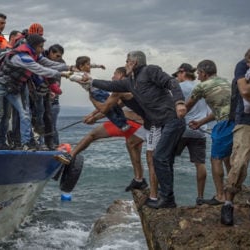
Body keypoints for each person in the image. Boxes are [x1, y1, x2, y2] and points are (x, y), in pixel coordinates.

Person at [79, 50, 186, 209]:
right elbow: (110, 85)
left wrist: (179, 102)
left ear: (134, 62)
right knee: (164, 159)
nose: (125, 63)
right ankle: (167, 198)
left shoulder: (150, 71)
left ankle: (166, 198)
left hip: (172, 120)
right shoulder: (130, 81)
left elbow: (172, 82)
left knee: (159, 158)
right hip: (157, 123)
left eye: (127, 61)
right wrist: (91, 80)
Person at [0, 34, 71, 150]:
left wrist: (69, 68)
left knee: (25, 114)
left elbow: (50, 64)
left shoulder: (35, 55)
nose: (43, 50)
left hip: (13, 88)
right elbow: (41, 69)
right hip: (0, 86)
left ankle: (26, 143)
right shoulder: (22, 57)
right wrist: (62, 74)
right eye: (41, 47)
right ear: (34, 46)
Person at [55, 66, 148, 191]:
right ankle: (139, 179)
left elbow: (105, 108)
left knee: (93, 135)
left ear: (120, 75)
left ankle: (71, 155)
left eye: (114, 74)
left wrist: (92, 101)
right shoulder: (130, 87)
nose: (112, 77)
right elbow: (111, 105)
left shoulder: (122, 89)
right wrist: (92, 115)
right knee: (134, 154)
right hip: (133, 125)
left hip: (131, 125)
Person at [221, 37, 250, 226]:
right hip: (246, 123)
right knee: (238, 166)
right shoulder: (243, 65)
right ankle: (228, 205)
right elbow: (244, 90)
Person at [186, 60, 233, 205]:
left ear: (204, 73)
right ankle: (233, 189)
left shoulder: (201, 86)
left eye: (198, 73)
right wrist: (200, 123)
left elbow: (186, 107)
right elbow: (219, 109)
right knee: (228, 158)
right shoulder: (225, 82)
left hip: (224, 124)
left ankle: (220, 196)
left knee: (216, 159)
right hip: (239, 121)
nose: (197, 77)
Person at [172, 63, 209, 205]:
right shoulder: (202, 87)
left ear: (182, 72)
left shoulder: (179, 88)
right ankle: (200, 197)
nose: (177, 78)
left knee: (166, 159)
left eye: (178, 75)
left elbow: (173, 108)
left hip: (181, 129)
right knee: (200, 164)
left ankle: (166, 193)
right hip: (199, 129)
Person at [70, 56, 130, 133]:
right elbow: (71, 77)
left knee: (115, 105)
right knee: (108, 110)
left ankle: (124, 122)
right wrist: (80, 79)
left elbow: (93, 65)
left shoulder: (86, 71)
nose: (90, 66)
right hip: (96, 93)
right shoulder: (79, 74)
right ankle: (121, 125)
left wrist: (99, 66)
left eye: (89, 64)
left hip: (102, 90)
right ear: (81, 66)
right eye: (88, 64)